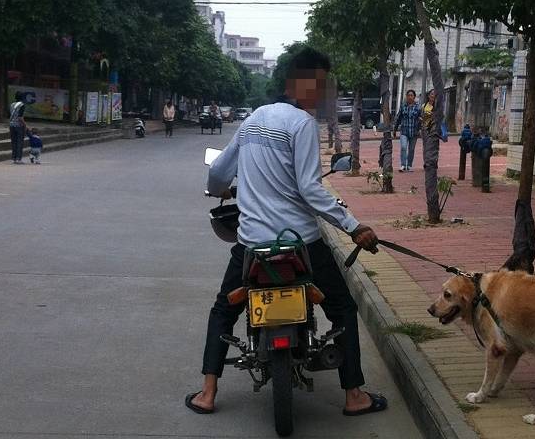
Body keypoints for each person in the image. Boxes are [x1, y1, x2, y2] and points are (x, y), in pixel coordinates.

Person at [186, 46, 387, 417]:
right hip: (301, 246)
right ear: (304, 85)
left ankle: (208, 392)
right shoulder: (301, 124)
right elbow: (310, 189)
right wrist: (354, 226)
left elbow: (217, 175)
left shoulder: (252, 121)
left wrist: (222, 190)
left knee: (222, 310)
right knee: (342, 307)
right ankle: (354, 395)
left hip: (251, 244)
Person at [421, 89, 443, 223]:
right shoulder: (424, 106)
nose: (433, 96)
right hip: (425, 130)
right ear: (428, 96)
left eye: (435, 94)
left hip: (434, 132)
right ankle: (427, 162)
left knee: (431, 154)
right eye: (431, 94)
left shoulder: (438, 107)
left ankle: (430, 163)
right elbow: (422, 116)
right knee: (426, 151)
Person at [393, 89, 421, 172]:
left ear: (414, 97)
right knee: (403, 147)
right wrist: (395, 130)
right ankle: (402, 165)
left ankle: (409, 165)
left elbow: (421, 119)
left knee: (411, 149)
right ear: (406, 96)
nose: (410, 97)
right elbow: (398, 118)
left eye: (411, 95)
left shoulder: (418, 107)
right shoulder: (403, 106)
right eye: (408, 95)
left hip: (414, 131)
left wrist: (420, 129)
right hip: (404, 131)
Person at [9, 92, 26, 164]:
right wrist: (25, 125)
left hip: (11, 125)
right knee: (19, 142)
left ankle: (14, 158)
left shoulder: (12, 104)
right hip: (19, 126)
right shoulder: (22, 105)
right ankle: (19, 158)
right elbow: (20, 117)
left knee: (14, 142)